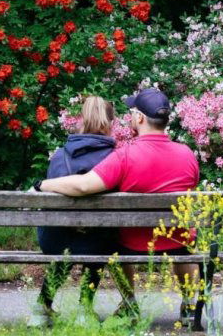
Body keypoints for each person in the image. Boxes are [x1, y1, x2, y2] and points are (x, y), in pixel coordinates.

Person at [38, 88, 201, 323]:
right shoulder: (187, 154)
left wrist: (43, 184)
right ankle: (189, 306)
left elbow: (84, 186)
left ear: (140, 119)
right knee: (186, 241)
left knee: (110, 238)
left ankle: (130, 303)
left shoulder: (124, 155)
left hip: (131, 244)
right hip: (176, 241)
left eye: (133, 112)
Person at [28, 96, 118, 328]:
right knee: (100, 240)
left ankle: (41, 308)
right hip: (97, 242)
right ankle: (84, 310)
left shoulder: (60, 155)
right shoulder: (116, 157)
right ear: (111, 122)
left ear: (81, 120)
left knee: (64, 243)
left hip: (54, 240)